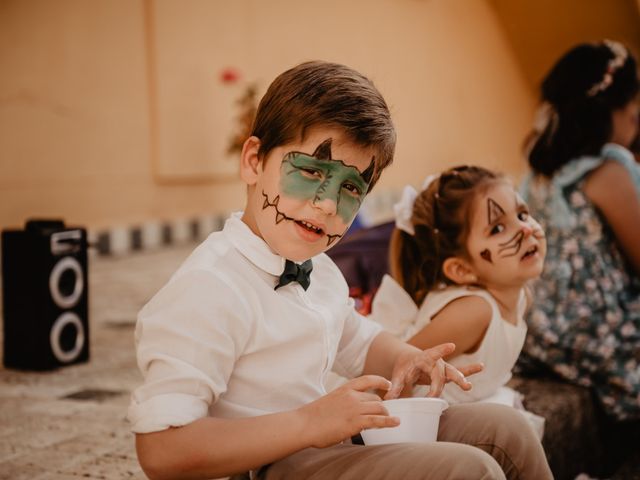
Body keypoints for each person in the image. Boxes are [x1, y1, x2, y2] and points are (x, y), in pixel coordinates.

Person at [127, 61, 552, 480]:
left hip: (327, 446)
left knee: (506, 428)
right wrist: (308, 424)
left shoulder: (319, 270)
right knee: (468, 470)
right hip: (269, 467)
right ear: (254, 161)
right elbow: (162, 449)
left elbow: (358, 339)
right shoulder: (209, 288)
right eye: (311, 172)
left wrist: (408, 359)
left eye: (350, 187)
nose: (328, 204)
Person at [366, 165, 546, 439]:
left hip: (469, 407)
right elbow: (397, 373)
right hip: (420, 421)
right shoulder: (474, 311)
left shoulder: (521, 296)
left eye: (522, 214)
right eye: (498, 228)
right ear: (462, 270)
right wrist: (404, 444)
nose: (524, 229)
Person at [518, 39, 640, 422]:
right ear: (611, 111)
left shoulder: (539, 170)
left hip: (544, 328)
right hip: (599, 328)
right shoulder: (607, 170)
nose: (635, 124)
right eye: (634, 114)